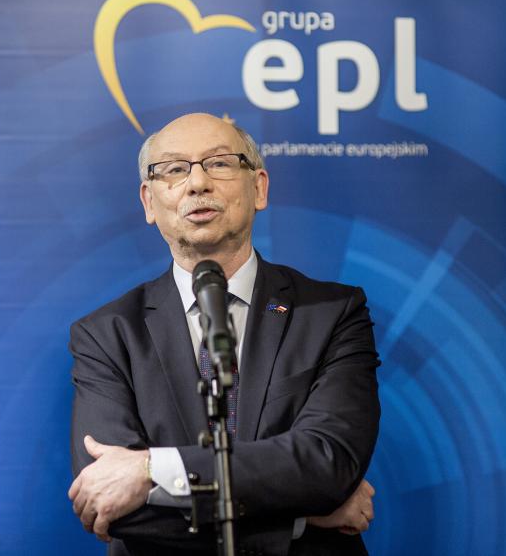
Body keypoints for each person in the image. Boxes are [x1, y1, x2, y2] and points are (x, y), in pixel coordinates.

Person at [67, 113, 381, 555]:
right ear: (149, 202)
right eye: (174, 169)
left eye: (219, 163)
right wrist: (298, 517)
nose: (197, 183)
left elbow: (329, 463)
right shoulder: (106, 335)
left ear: (259, 188)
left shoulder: (332, 313)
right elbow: (111, 502)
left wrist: (152, 469)